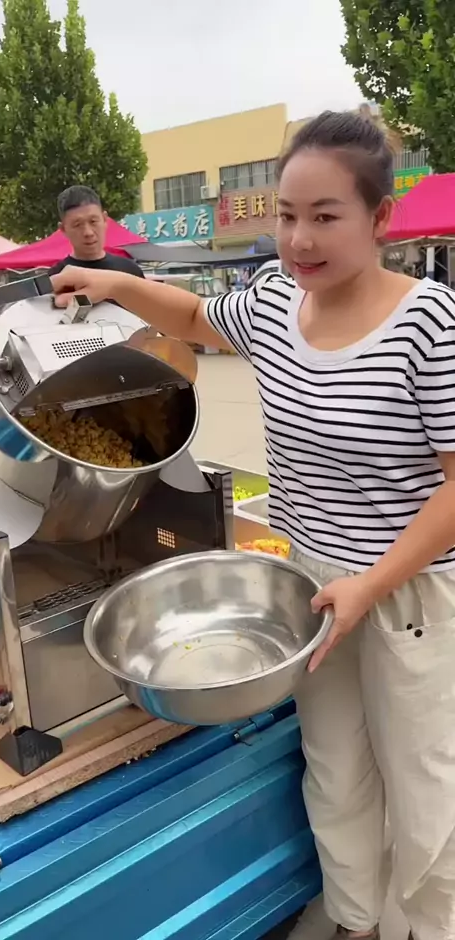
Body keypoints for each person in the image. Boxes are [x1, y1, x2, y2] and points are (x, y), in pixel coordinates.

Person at [50, 111, 455, 940]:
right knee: (335, 768)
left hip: (409, 595)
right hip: (309, 586)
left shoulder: (430, 323)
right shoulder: (273, 300)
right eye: (286, 213)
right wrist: (111, 284)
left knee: (427, 788)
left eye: (325, 216)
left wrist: (371, 584)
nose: (298, 239)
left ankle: (428, 926)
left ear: (380, 217)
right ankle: (356, 920)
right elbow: (196, 319)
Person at [49, 184, 144, 280]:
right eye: (77, 225)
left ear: (104, 219)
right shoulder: (56, 278)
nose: (88, 232)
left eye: (93, 221)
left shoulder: (130, 271)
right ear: (63, 229)